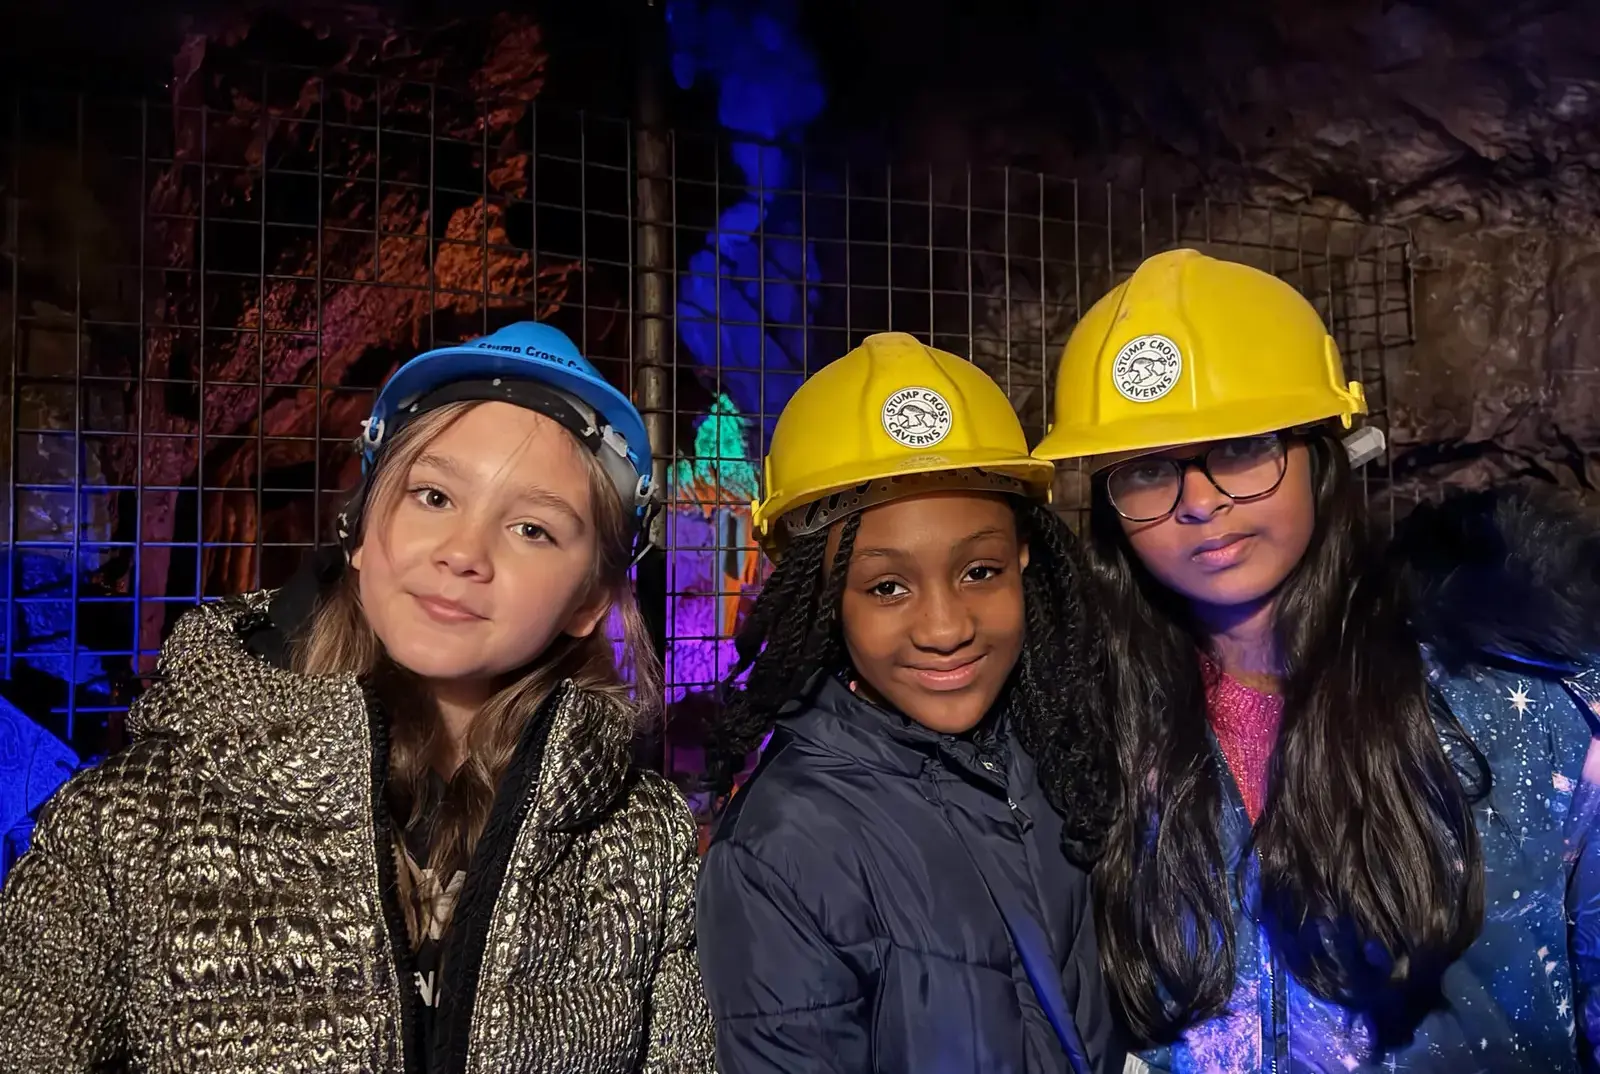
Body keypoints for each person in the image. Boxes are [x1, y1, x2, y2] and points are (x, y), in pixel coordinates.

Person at [0, 322, 715, 1073]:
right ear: (363, 533)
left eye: (532, 528)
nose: (464, 554)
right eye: (433, 495)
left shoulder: (644, 841)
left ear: (590, 600)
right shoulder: (131, 821)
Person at [1031, 248, 1600, 1073]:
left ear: (1323, 453)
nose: (1199, 501)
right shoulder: (1094, 725)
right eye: (1148, 469)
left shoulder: (1521, 701)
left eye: (1241, 448)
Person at [695, 332, 1123, 1074]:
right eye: (886, 586)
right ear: (823, 598)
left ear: (1025, 558)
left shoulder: (1065, 746)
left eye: (980, 571)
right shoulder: (784, 850)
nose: (946, 628)